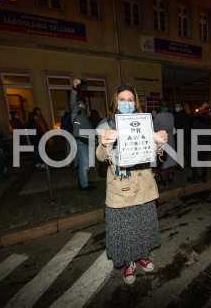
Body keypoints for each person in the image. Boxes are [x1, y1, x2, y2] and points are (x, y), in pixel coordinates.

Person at [96, 83, 167, 285]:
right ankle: (129, 262)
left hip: (143, 183)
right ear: (115, 101)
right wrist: (105, 143)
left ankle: (142, 255)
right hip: (121, 186)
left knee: (143, 224)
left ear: (135, 102)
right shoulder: (106, 124)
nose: (126, 103)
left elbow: (152, 152)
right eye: (122, 99)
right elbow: (100, 156)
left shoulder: (144, 122)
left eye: (130, 100)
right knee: (125, 227)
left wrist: (159, 143)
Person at [70, 79, 96, 191]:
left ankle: (82, 179)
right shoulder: (76, 111)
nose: (82, 104)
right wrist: (75, 89)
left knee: (89, 164)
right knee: (85, 164)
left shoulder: (84, 115)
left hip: (88, 141)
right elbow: (72, 102)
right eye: (80, 102)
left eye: (83, 103)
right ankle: (84, 185)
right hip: (81, 141)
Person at [188, 101, 211, 183]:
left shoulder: (197, 117)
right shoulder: (210, 117)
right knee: (204, 160)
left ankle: (195, 177)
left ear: (200, 108)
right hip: (206, 140)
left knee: (194, 159)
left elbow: (193, 129)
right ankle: (204, 177)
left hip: (197, 140)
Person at [153, 105, 176, 185]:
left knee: (162, 159)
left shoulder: (158, 116)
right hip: (170, 139)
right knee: (170, 159)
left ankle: (163, 179)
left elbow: (153, 127)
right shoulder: (171, 115)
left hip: (161, 139)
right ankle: (170, 177)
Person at [173, 102, 191, 168]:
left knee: (180, 150)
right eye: (175, 107)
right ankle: (189, 163)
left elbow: (177, 125)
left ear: (181, 107)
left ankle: (180, 165)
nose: (176, 108)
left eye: (177, 107)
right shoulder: (185, 114)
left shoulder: (179, 115)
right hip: (184, 134)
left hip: (180, 134)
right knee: (184, 150)